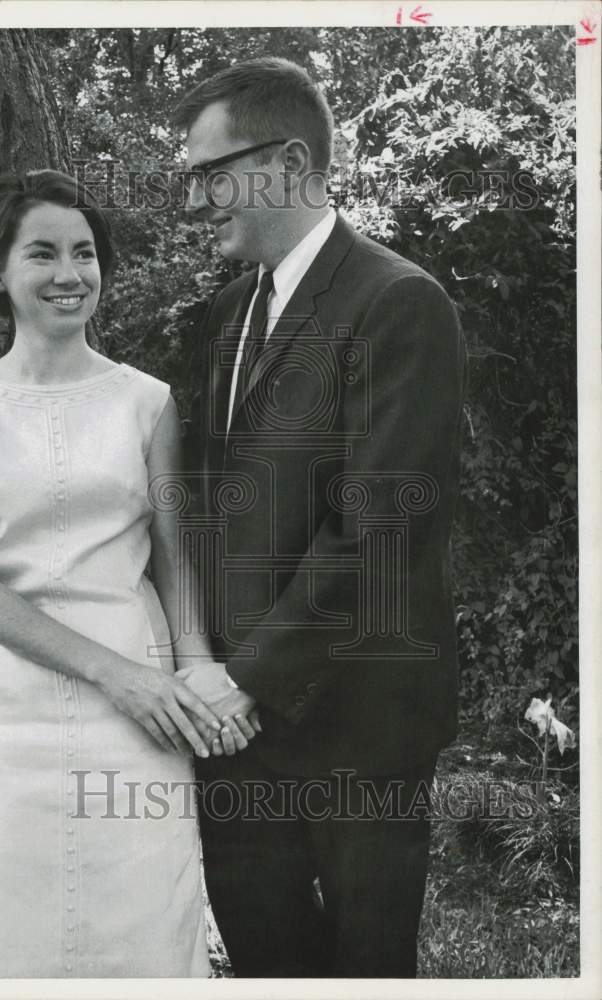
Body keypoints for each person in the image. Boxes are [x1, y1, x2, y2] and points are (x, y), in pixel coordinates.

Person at [173, 58, 467, 977]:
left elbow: (380, 527)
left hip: (358, 732)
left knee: (365, 972)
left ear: (289, 160)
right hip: (235, 741)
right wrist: (203, 674)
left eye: (211, 174)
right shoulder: (222, 318)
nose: (195, 201)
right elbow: (203, 511)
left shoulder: (398, 302)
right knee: (267, 968)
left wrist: (247, 679)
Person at [0, 169, 248, 977]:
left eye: (84, 253)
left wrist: (195, 666)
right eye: (43, 254)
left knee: (146, 923)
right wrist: (115, 675)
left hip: (143, 716)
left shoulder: (148, 403)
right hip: (9, 715)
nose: (70, 275)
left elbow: (175, 556)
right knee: (13, 938)